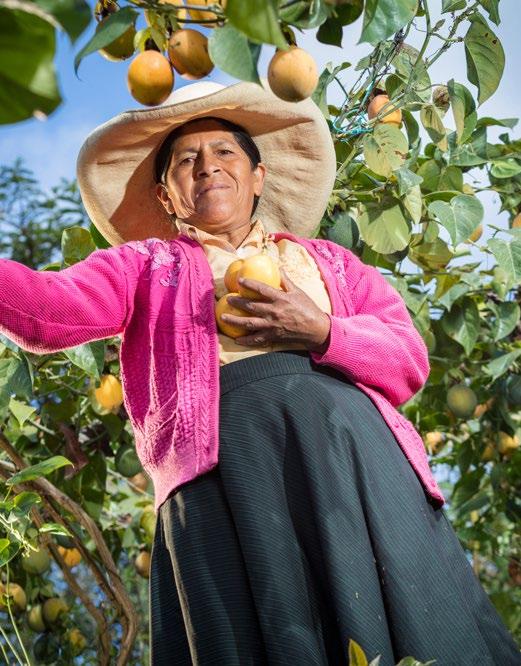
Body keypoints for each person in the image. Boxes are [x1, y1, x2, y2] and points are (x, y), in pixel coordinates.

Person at [1, 80, 519, 666]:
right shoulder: (145, 265)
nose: (207, 167)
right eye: (185, 161)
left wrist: (322, 330)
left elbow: (407, 358)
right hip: (224, 476)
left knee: (405, 621)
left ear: (258, 177)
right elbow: (50, 310)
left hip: (353, 462)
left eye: (225, 152)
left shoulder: (329, 262)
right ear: (166, 196)